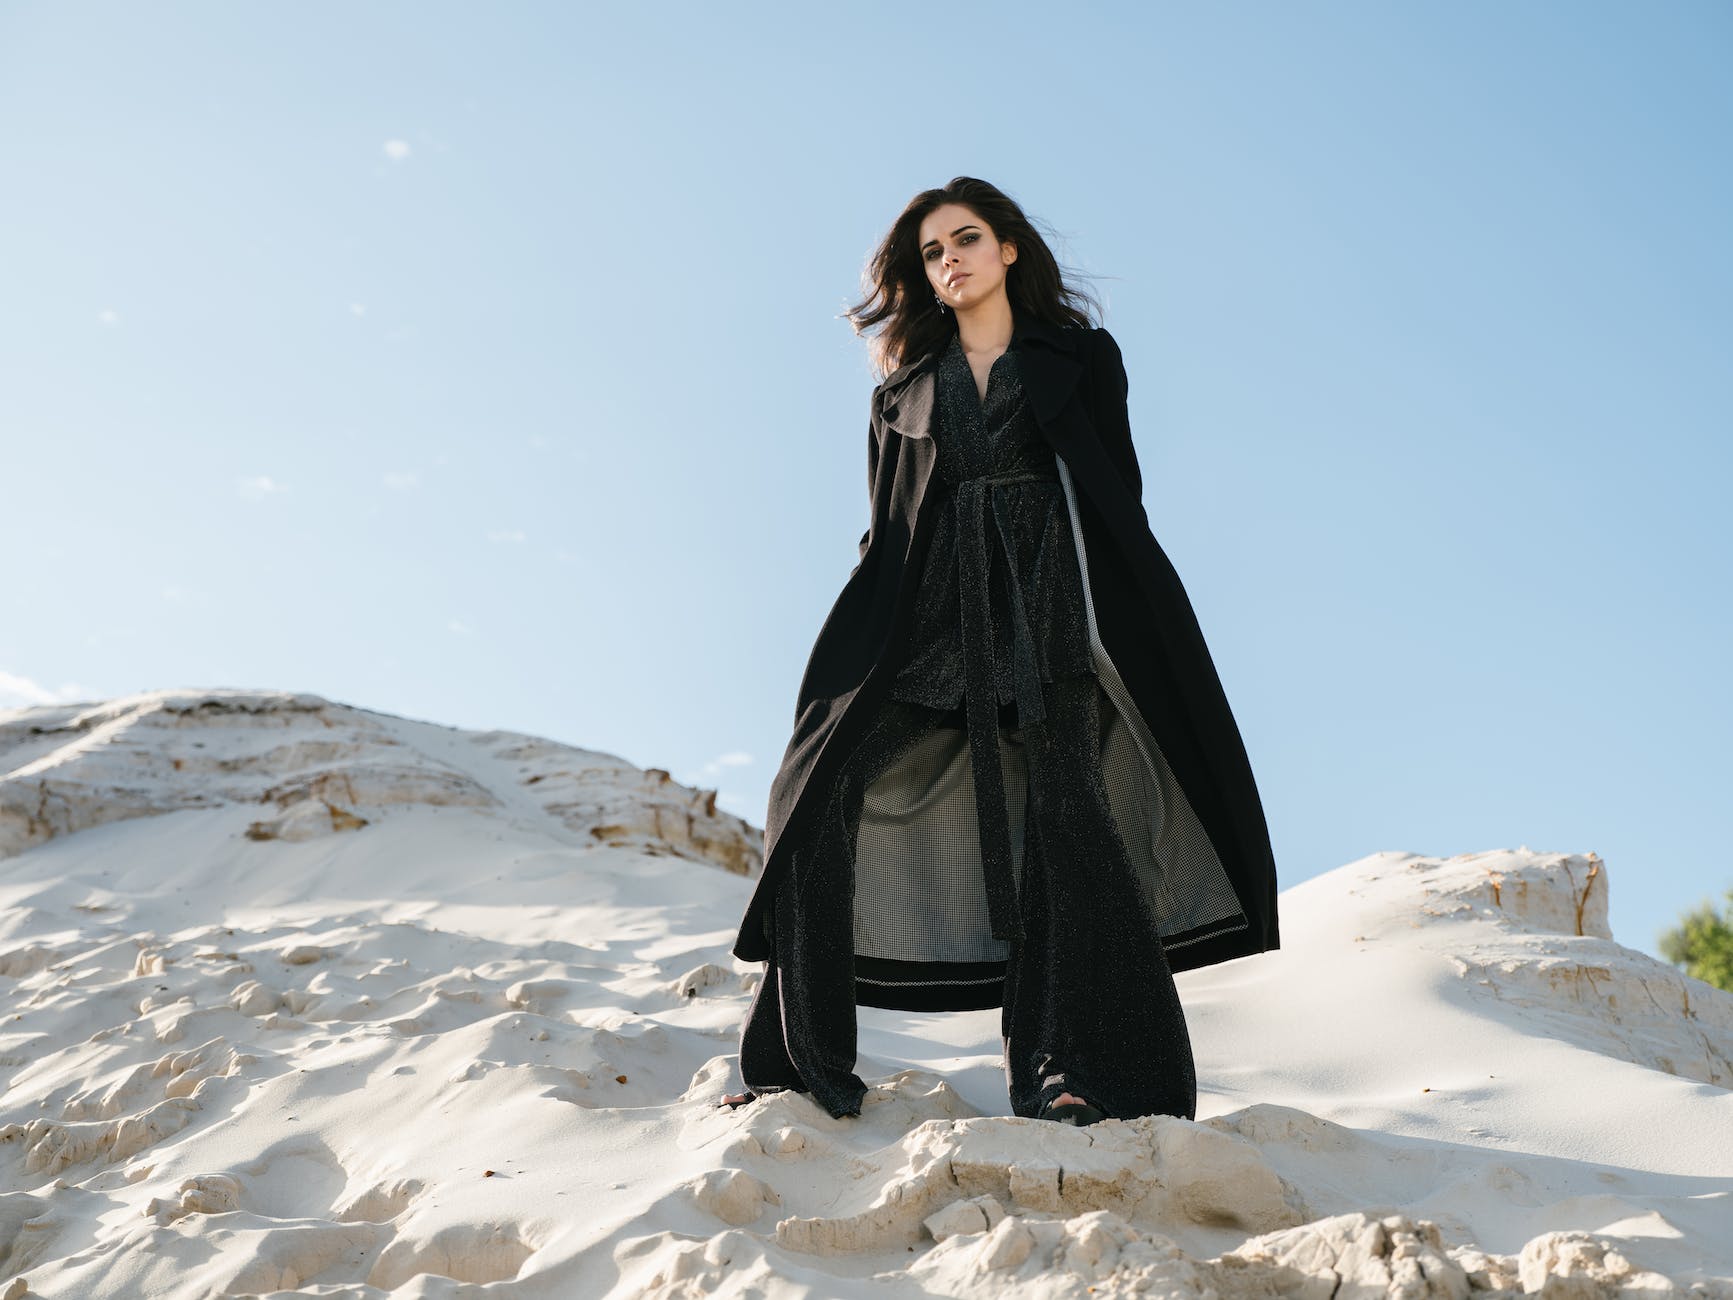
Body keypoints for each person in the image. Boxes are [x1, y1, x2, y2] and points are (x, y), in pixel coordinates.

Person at [720, 177, 1280, 1126]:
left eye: (966, 240)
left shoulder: (1080, 358)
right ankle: (805, 1065)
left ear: (1010, 248)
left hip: (1049, 611)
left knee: (1070, 839)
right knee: (817, 802)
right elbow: (882, 530)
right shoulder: (900, 392)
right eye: (933, 254)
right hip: (925, 621)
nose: (950, 262)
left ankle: (1077, 1076)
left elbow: (1116, 495)